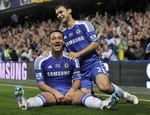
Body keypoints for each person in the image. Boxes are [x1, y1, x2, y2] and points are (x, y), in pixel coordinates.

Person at [15, 30, 121, 110]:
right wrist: (55, 93)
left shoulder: (72, 59)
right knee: (41, 97)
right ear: (50, 42)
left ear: (63, 41)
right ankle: (25, 103)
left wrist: (72, 90)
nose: (57, 40)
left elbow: (77, 80)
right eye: (54, 38)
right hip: (52, 94)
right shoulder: (40, 60)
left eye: (59, 38)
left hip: (69, 93)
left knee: (84, 96)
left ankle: (103, 105)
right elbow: (41, 84)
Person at [55, 3, 138, 104]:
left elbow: (95, 44)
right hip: (80, 71)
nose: (59, 15)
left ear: (69, 11)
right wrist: (48, 53)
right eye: (57, 14)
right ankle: (98, 99)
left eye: (61, 12)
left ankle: (125, 95)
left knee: (104, 87)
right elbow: (60, 51)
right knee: (85, 98)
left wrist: (78, 54)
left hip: (93, 63)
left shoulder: (84, 25)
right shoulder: (63, 34)